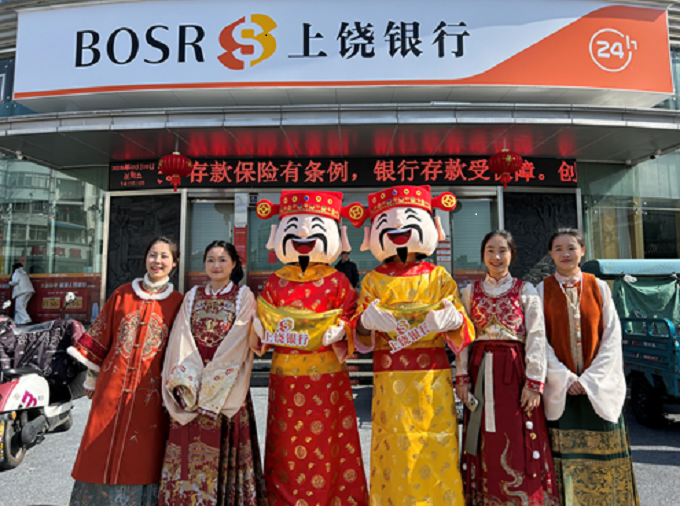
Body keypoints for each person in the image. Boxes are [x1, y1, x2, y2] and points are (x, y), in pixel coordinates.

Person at [354, 185, 474, 506]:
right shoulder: (372, 280)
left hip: (431, 377)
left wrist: (452, 320)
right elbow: (358, 329)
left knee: (436, 443)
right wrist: (365, 322)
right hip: (389, 377)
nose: (398, 228)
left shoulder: (439, 277)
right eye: (388, 223)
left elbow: (463, 326)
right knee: (393, 445)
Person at [253, 190, 369, 505]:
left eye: (316, 228)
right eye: (294, 228)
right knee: (286, 442)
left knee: (329, 441)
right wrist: (259, 327)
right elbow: (262, 322)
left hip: (327, 379)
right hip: (286, 378)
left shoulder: (338, 281)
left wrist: (343, 329)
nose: (303, 235)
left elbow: (353, 316)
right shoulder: (274, 282)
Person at [67, 236, 183, 506]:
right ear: (145, 258)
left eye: (164, 256)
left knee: (143, 452)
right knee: (98, 443)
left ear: (174, 263)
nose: (157, 261)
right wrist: (92, 378)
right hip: (111, 387)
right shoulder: (122, 294)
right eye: (153, 254)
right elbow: (101, 337)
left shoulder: (178, 303)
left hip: (150, 395)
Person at [158, 240, 267, 506]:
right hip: (193, 383)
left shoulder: (244, 296)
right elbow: (182, 337)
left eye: (222, 259)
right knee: (188, 447)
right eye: (210, 260)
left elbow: (239, 340)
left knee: (227, 447)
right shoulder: (192, 295)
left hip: (227, 384)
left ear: (234, 264)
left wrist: (213, 378)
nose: (216, 265)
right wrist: (193, 378)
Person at [455, 230, 558, 506]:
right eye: (490, 250)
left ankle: (522, 497)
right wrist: (462, 378)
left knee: (517, 432)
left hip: (515, 371)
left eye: (502, 250)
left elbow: (537, 336)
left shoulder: (525, 290)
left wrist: (533, 383)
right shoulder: (469, 292)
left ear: (512, 254)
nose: (496, 257)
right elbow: (462, 338)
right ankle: (485, 497)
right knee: (483, 434)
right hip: (479, 370)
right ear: (483, 255)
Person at [538, 228, 639, 506]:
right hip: (562, 390)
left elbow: (612, 337)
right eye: (559, 248)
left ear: (582, 251)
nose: (565, 254)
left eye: (571, 247)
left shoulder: (599, 287)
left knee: (605, 461)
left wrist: (589, 380)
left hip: (598, 389)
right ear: (550, 254)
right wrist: (566, 378)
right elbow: (538, 341)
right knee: (563, 462)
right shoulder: (541, 290)